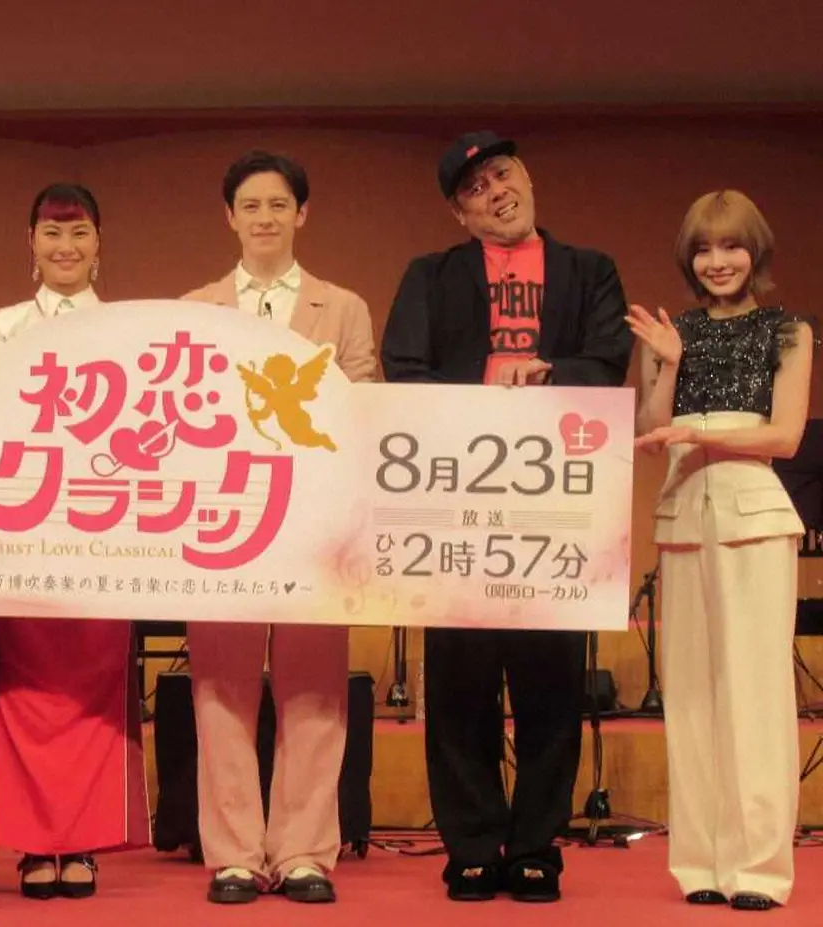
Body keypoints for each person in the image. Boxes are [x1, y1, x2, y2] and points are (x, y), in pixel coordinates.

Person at [380, 131, 632, 903]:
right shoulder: (430, 276)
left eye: (502, 173)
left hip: (557, 507)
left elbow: (608, 360)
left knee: (550, 681)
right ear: (461, 215)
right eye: (475, 189)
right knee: (459, 680)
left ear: (526, 176)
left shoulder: (590, 270)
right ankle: (470, 845)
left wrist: (547, 373)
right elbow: (403, 369)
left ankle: (534, 847)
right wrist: (480, 403)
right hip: (457, 504)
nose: (496, 191)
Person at [181, 150, 376, 905]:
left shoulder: (343, 307)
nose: (264, 217)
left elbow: (364, 404)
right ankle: (233, 853)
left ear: (302, 214)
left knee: (315, 689)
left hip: (316, 521)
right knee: (220, 686)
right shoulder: (195, 306)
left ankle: (304, 851)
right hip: (223, 518)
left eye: (278, 204)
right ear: (229, 218)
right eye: (250, 206)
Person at [629, 191, 809, 911]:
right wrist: (670, 364)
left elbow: (784, 436)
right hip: (683, 513)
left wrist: (700, 434)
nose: (718, 261)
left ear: (754, 251)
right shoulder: (670, 332)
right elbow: (651, 429)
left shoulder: (788, 330)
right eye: (703, 249)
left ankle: (759, 867)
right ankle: (701, 862)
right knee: (691, 694)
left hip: (753, 514)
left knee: (755, 691)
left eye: (731, 246)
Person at [0, 183, 149, 901]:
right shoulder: (3, 326)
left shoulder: (130, 329)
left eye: (79, 233)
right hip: (23, 527)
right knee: (25, 687)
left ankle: (81, 842)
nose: (66, 247)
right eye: (52, 233)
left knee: (91, 688)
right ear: (31, 243)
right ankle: (33, 843)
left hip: (104, 529)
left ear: (99, 243)